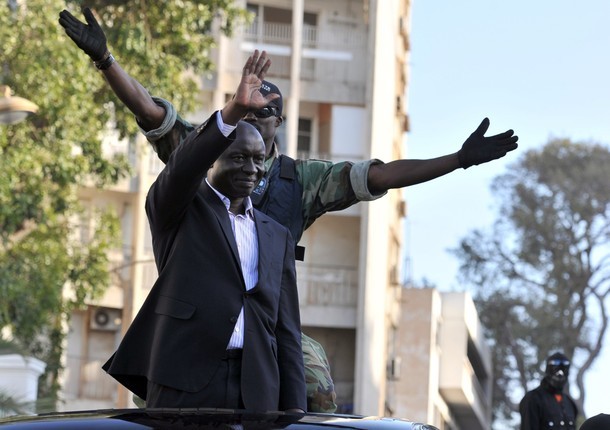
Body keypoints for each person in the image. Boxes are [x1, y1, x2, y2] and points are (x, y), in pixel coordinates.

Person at [59, 8, 519, 413]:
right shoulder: (207, 151)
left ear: (280, 121)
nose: (257, 116)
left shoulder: (302, 180)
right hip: (194, 333)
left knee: (315, 383)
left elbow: (378, 175)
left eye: (267, 111)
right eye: (250, 108)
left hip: (263, 329)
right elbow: (150, 112)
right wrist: (107, 61)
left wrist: (456, 160)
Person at [102, 50, 306, 412]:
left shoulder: (277, 235)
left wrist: (295, 414)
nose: (251, 168)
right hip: (185, 379)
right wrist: (232, 113)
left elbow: (287, 331)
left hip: (257, 388)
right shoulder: (180, 208)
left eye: (258, 160)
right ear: (214, 160)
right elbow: (183, 167)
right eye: (239, 157)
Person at [519, 352, 579, 430]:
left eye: (564, 369)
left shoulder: (570, 404)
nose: (560, 374)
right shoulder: (532, 399)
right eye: (556, 369)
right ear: (548, 370)